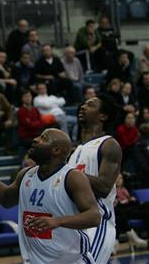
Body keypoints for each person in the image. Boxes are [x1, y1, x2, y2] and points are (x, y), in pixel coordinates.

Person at [0, 129, 101, 264]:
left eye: (43, 138)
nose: (35, 139)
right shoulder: (25, 174)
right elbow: (5, 199)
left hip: (71, 260)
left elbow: (94, 216)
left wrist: (58, 221)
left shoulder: (72, 177)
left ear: (56, 150)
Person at [68, 95, 122, 264]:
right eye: (83, 104)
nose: (83, 107)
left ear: (103, 116)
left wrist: (67, 174)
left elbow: (104, 187)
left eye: (90, 105)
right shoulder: (77, 149)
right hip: (75, 226)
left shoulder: (108, 144)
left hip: (97, 225)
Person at [114, 173, 149, 249]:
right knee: (120, 212)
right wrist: (121, 202)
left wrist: (132, 200)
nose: (118, 180)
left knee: (146, 205)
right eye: (117, 178)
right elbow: (115, 205)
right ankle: (132, 236)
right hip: (124, 210)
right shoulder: (111, 191)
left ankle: (135, 237)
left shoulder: (126, 188)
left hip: (132, 207)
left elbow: (132, 199)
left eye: (120, 178)